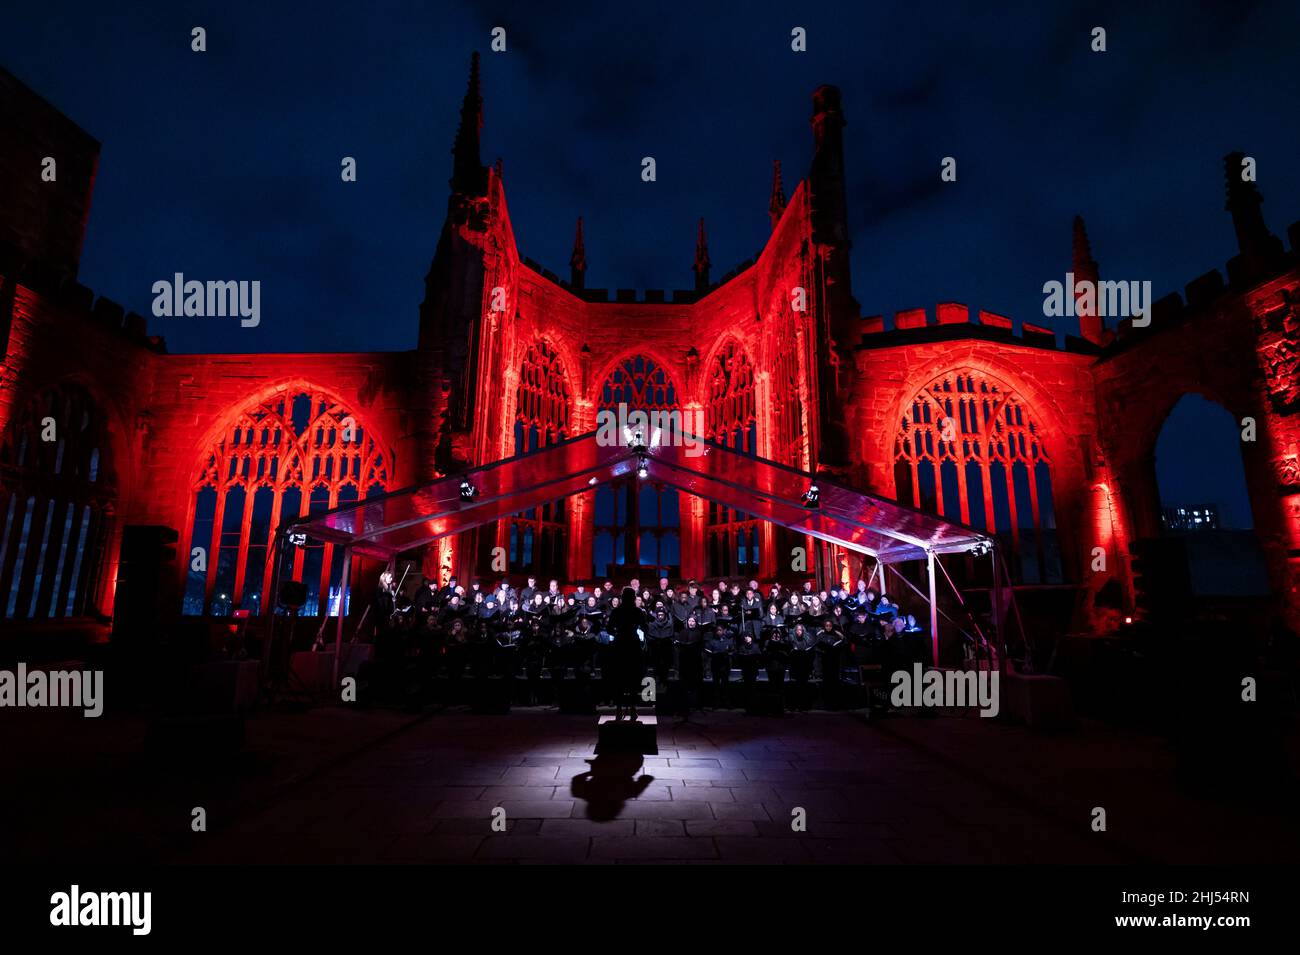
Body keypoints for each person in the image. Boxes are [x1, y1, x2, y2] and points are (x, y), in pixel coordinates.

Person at [607, 587, 647, 720]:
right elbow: (645, 628)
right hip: (633, 644)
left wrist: (618, 633)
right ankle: (633, 709)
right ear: (633, 598)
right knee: (634, 677)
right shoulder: (637, 611)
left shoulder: (616, 611)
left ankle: (618, 710)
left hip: (620, 643)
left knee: (619, 677)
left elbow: (609, 629)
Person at [705, 623, 735, 708]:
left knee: (725, 685)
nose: (718, 632)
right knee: (716, 685)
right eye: (717, 630)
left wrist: (729, 653)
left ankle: (726, 702)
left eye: (720, 630)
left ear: (724, 631)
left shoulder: (728, 641)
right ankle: (716, 703)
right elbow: (708, 653)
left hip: (725, 665)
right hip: (715, 665)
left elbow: (733, 651)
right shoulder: (712, 642)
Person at [788, 622, 817, 710]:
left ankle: (805, 705)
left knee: (804, 686)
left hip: (805, 666)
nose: (799, 632)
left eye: (800, 630)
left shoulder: (807, 639)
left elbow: (811, 653)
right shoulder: (792, 640)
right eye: (797, 630)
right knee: (796, 686)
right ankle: (796, 705)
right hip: (796, 666)